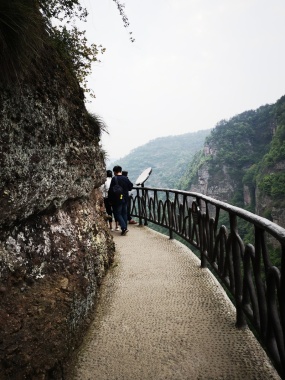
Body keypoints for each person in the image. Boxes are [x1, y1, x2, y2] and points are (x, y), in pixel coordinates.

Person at [108, 165, 133, 236]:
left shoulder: (114, 178)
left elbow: (111, 190)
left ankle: (124, 228)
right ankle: (124, 228)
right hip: (125, 198)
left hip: (117, 199)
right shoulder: (125, 178)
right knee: (124, 213)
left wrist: (110, 200)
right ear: (120, 171)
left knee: (117, 213)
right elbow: (131, 187)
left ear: (115, 172)